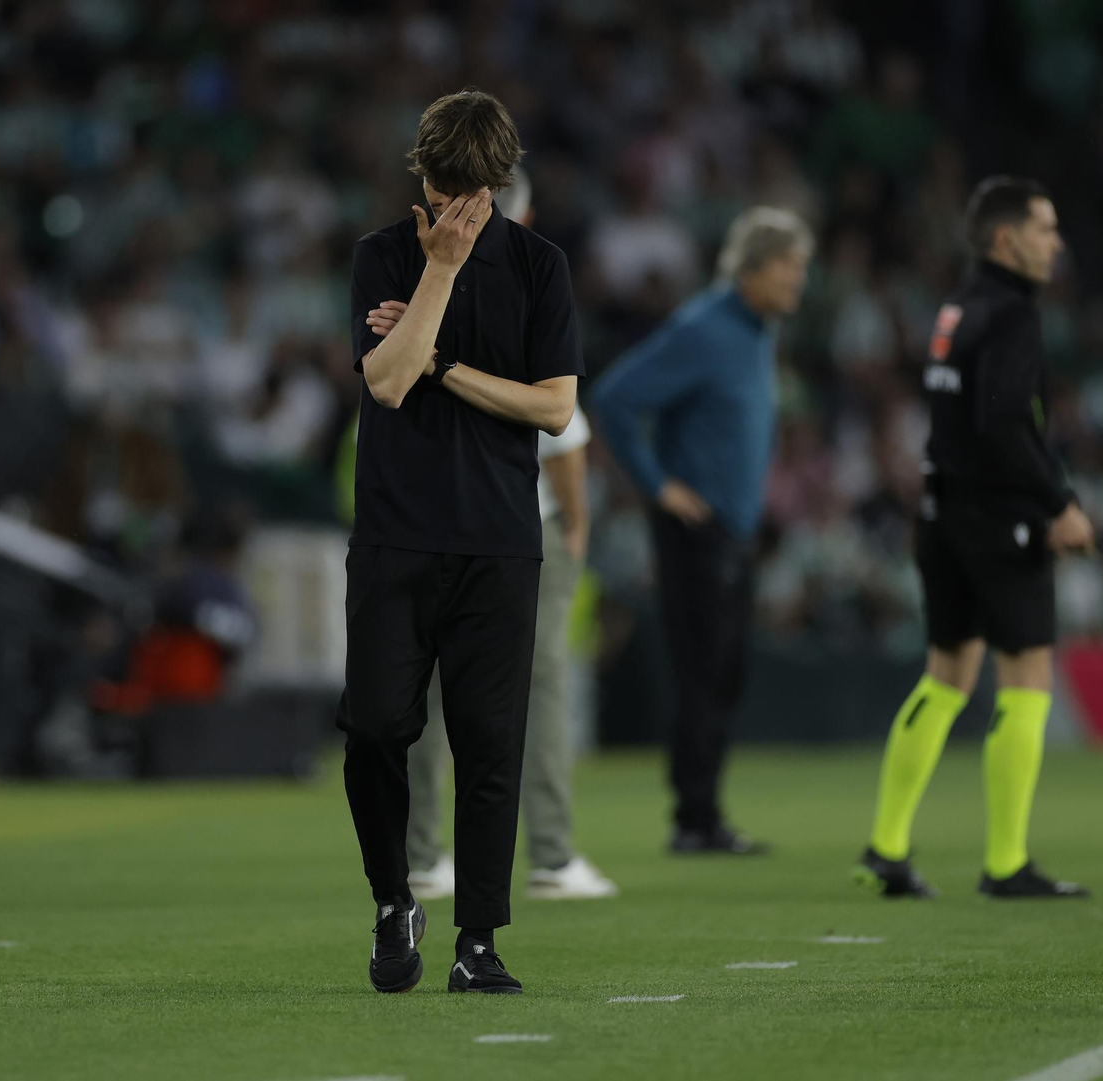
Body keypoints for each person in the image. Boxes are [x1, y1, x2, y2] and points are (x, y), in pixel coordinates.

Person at [338, 90, 581, 995]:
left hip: (498, 542)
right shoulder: (382, 257)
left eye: (477, 195)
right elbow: (387, 385)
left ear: (501, 186)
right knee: (372, 729)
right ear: (424, 183)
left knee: (490, 747)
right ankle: (393, 898)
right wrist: (437, 274)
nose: (463, 211)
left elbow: (554, 407)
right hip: (396, 536)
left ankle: (478, 941)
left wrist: (442, 359)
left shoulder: (540, 266)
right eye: (448, 194)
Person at [369, 170, 617, 903]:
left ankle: (423, 854)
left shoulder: (406, 285)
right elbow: (562, 429)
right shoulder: (535, 282)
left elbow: (389, 385)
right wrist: (574, 525)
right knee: (533, 690)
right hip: (510, 529)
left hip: (424, 521)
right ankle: (549, 853)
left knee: (422, 692)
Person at [855, 176, 1095, 900]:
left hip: (940, 511)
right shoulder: (1015, 313)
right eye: (1045, 228)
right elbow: (1002, 422)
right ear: (1005, 238)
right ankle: (1006, 863)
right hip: (1000, 520)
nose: (1056, 242)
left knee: (946, 675)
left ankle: (888, 848)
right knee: (1026, 680)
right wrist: (1060, 503)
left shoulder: (958, 307)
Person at [592, 207, 813, 855]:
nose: (799, 280)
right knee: (704, 669)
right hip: (698, 527)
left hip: (734, 526)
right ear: (753, 267)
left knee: (726, 669)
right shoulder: (703, 327)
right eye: (790, 266)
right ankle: (694, 817)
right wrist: (658, 484)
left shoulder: (755, 329)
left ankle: (705, 810)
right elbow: (614, 396)